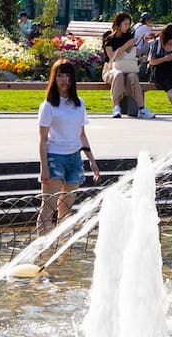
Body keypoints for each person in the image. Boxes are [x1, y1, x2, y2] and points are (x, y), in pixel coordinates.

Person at [35, 59, 101, 235]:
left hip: (74, 158)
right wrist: (44, 168)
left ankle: (62, 244)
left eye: (67, 76)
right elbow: (42, 139)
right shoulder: (48, 106)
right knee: (48, 206)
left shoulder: (79, 103)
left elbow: (82, 135)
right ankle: (42, 246)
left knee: (66, 207)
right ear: (54, 78)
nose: (64, 80)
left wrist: (92, 161)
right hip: (55, 157)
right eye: (60, 76)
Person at [102, 11, 153, 119]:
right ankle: (116, 107)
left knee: (133, 76)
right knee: (118, 74)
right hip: (111, 69)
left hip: (128, 68)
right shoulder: (108, 37)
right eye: (125, 24)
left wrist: (144, 43)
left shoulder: (128, 36)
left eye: (129, 24)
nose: (127, 26)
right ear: (118, 24)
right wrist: (126, 45)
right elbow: (112, 57)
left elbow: (135, 53)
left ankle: (142, 108)